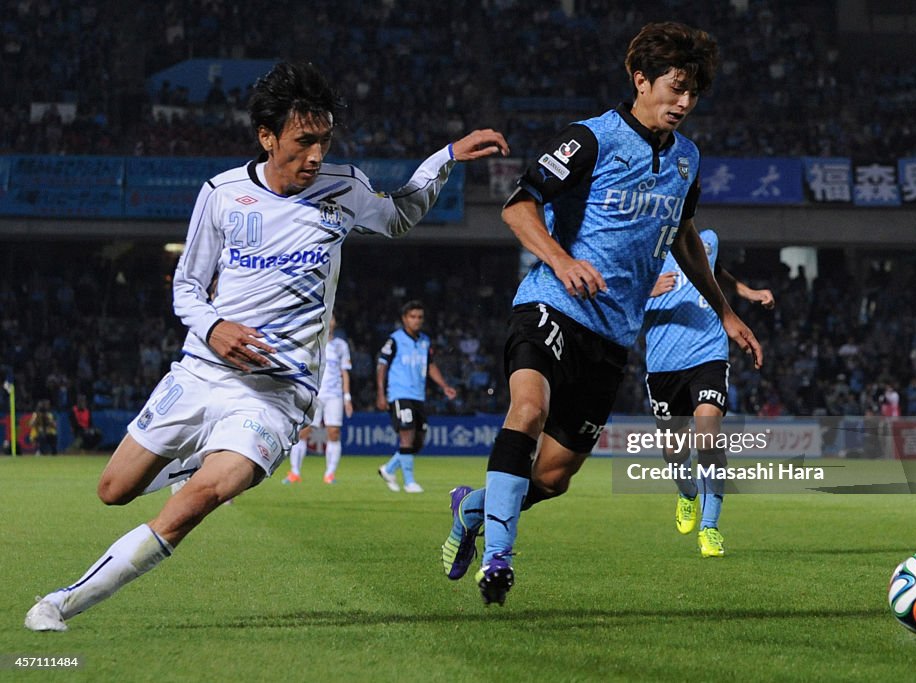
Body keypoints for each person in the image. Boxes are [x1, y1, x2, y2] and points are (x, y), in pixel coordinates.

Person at [24, 60, 508, 632]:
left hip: (277, 395)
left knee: (201, 498)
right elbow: (186, 285)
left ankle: (60, 603)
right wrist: (214, 328)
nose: (315, 156)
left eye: (324, 141)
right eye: (304, 141)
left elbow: (400, 213)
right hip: (202, 372)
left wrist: (446, 157)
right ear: (267, 136)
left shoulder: (344, 189)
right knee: (113, 490)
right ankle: (193, 463)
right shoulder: (223, 195)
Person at [441, 22, 761, 606]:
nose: (685, 102)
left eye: (694, 93)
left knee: (554, 477)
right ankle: (498, 559)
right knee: (528, 409)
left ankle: (474, 508)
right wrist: (561, 261)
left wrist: (726, 311)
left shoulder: (687, 159)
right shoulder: (591, 139)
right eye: (676, 87)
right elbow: (519, 208)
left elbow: (683, 235)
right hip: (551, 305)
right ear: (641, 80)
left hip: (612, 335)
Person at [644, 229, 775, 558]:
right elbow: (612, 291)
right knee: (674, 452)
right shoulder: (643, 243)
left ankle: (710, 527)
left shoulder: (707, 239)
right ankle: (688, 493)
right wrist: (646, 290)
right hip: (662, 362)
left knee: (707, 436)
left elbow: (712, 271)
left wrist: (746, 292)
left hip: (708, 353)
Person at [376, 300, 457, 493]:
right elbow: (382, 366)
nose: (417, 320)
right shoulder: (394, 340)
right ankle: (410, 482)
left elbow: (430, 366)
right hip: (399, 393)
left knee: (418, 440)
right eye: (412, 317)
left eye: (420, 317)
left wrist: (444, 385)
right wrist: (380, 393)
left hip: (418, 396)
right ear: (404, 319)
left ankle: (388, 469)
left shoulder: (425, 341)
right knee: (407, 435)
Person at [282, 312, 353, 484]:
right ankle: (294, 472)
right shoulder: (312, 341)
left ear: (335, 322)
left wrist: (347, 397)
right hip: (314, 392)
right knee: (304, 432)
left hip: (334, 395)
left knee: (334, 433)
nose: (331, 320)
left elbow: (345, 372)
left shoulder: (341, 345)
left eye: (334, 318)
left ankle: (329, 474)